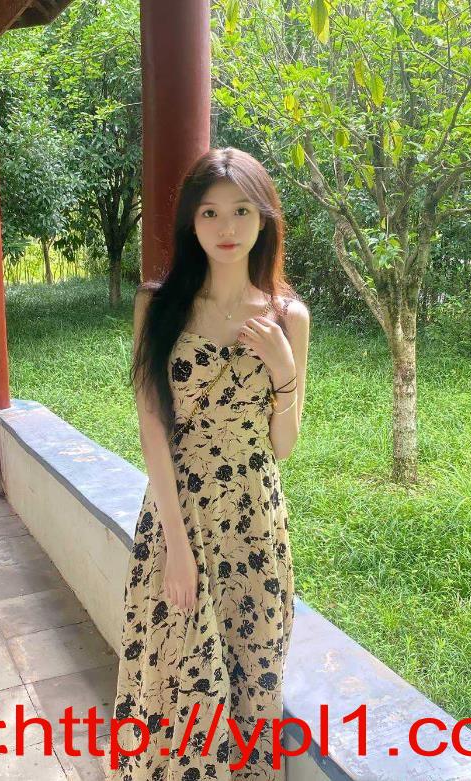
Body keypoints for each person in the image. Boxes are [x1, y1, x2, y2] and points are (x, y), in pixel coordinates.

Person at [103, 147, 310, 780]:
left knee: (251, 675)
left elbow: (282, 445)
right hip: (181, 514)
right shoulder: (159, 305)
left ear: (264, 218)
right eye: (210, 212)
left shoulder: (287, 318)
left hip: (253, 519)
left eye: (242, 211)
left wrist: (284, 371)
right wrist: (176, 546)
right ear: (191, 222)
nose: (227, 227)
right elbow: (152, 428)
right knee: (175, 679)